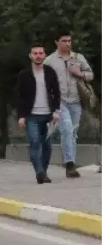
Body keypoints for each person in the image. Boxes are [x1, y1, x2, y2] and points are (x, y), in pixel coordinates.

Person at [44, 32, 93, 179]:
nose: (68, 43)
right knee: (66, 128)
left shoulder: (78, 58)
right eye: (64, 41)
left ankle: (70, 161)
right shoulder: (49, 61)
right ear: (56, 42)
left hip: (76, 101)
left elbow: (91, 75)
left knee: (73, 132)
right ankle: (70, 164)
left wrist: (80, 73)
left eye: (69, 41)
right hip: (59, 100)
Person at [16, 44, 61, 184]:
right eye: (35, 53)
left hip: (48, 115)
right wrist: (21, 115)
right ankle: (39, 172)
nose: (38, 55)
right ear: (30, 55)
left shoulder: (50, 72)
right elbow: (19, 96)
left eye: (40, 53)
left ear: (44, 55)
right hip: (31, 115)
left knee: (46, 145)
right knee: (35, 142)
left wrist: (56, 110)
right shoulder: (24, 74)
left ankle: (44, 172)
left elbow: (56, 92)